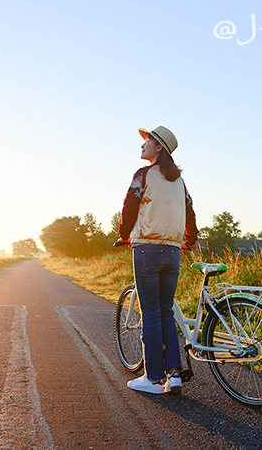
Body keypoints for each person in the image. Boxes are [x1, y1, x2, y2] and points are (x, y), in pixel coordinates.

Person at [116, 125, 199, 394]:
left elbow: (130, 206)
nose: (142, 145)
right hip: (172, 252)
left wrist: (124, 234)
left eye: (147, 141)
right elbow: (190, 212)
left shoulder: (143, 175)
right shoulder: (180, 182)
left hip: (147, 249)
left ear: (159, 147)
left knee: (150, 313)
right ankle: (173, 374)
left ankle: (152, 378)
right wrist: (190, 239)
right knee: (164, 312)